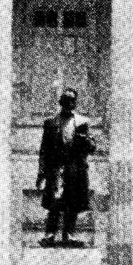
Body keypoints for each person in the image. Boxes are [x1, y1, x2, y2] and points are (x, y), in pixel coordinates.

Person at [36, 88, 96, 247]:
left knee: (73, 202)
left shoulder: (82, 122)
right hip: (57, 168)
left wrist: (86, 140)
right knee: (54, 202)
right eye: (67, 100)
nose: (70, 103)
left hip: (75, 168)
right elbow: (44, 150)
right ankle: (50, 234)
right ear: (61, 101)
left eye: (73, 100)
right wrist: (41, 172)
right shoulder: (50, 123)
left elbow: (92, 147)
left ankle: (69, 234)